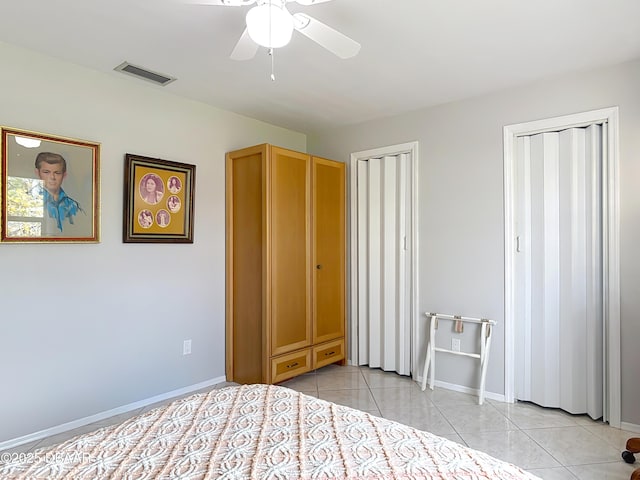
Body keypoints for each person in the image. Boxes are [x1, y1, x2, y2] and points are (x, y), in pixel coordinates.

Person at [35, 152, 83, 232]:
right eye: (46, 172)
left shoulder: (73, 205)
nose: (52, 177)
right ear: (37, 173)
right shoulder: (30, 201)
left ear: (64, 175)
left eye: (57, 173)